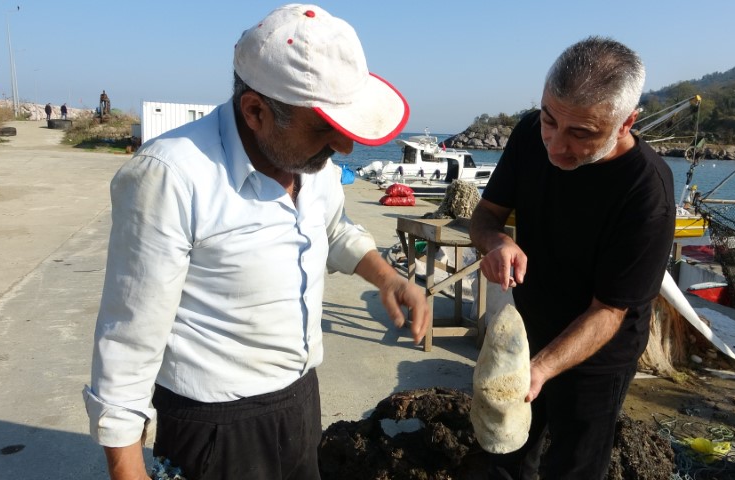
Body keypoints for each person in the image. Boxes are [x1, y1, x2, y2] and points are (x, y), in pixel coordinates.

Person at [83, 5, 428, 480]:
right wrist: (127, 471)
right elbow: (126, 343)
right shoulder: (171, 177)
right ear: (255, 111)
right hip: (215, 428)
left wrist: (386, 275)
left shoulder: (314, 164)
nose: (344, 148)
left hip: (300, 402)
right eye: (326, 127)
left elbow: (332, 227)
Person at [469, 36, 676, 480]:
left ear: (626, 123)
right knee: (502, 459)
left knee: (574, 468)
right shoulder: (530, 134)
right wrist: (497, 242)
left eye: (581, 134)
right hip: (527, 331)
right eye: (549, 121)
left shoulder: (646, 192)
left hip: (598, 354)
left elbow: (610, 310)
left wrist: (540, 370)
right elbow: (485, 216)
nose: (556, 146)